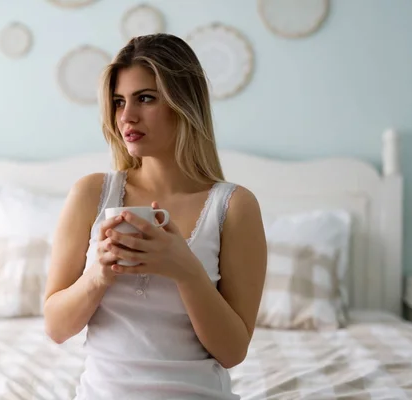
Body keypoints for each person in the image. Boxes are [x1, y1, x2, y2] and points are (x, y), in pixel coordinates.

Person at [43, 33, 267, 400]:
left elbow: (232, 352)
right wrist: (96, 276)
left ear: (183, 103)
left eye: (145, 98)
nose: (126, 116)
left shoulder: (235, 206)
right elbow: (56, 327)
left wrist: (186, 270)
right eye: (118, 102)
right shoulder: (90, 195)